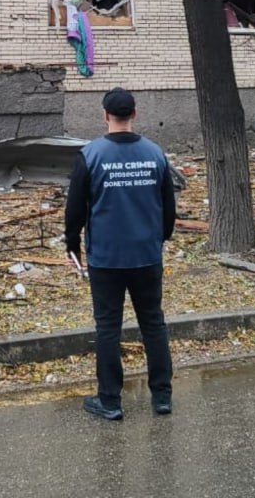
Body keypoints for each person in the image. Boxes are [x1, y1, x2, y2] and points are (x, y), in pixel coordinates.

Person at [65, 87, 176, 421]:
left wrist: (72, 244)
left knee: (108, 327)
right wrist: (159, 239)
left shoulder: (90, 155)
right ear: (135, 114)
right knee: (153, 323)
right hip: (146, 254)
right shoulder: (155, 154)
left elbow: (75, 208)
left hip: (106, 257)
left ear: (105, 115)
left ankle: (110, 401)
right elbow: (168, 207)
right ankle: (162, 397)